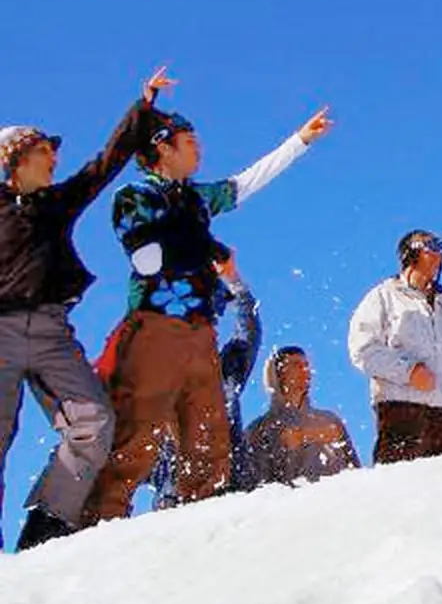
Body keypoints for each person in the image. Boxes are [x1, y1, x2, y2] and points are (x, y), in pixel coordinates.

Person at [83, 103, 332, 524]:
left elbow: (244, 184)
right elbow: (147, 260)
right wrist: (204, 248)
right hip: (155, 329)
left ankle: (202, 529)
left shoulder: (195, 198)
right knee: (138, 438)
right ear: (163, 148)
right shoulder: (136, 197)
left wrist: (299, 141)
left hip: (198, 330)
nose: (200, 149)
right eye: (190, 142)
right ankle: (93, 523)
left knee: (208, 443)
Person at [0, 66, 168, 549]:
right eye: (41, 150)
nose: (53, 157)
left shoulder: (55, 204)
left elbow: (103, 165)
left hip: (53, 332)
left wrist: (144, 106)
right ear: (14, 159)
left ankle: (47, 526)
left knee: (94, 424)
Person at [347, 229, 442, 463]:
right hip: (403, 410)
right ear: (410, 253)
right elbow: (363, 349)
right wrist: (408, 371)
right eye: (432, 248)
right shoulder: (383, 297)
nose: (440, 257)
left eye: (441, 251)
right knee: (403, 490)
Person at [137, 251, 263, 508]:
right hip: (177, 509)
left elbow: (249, 327)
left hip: (233, 497)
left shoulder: (225, 370)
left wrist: (232, 279)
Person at [244, 345, 360, 487]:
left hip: (339, 503)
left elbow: (355, 470)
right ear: (277, 373)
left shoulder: (330, 420)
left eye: (306, 365)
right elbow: (257, 485)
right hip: (294, 505)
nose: (305, 371)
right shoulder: (259, 429)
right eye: (296, 365)